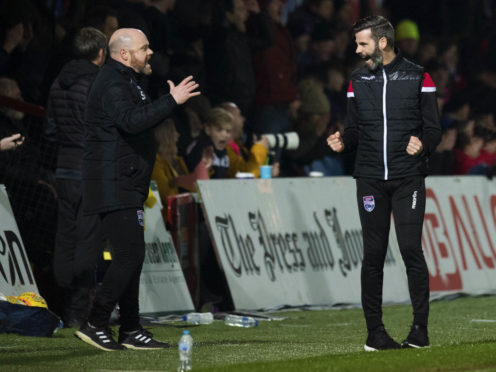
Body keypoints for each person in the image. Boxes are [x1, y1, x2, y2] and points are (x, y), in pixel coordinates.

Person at [75, 27, 200, 351]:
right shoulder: (114, 83)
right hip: (114, 181)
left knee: (131, 256)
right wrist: (171, 100)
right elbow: (132, 121)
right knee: (130, 255)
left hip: (124, 180)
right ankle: (95, 321)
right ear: (124, 54)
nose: (150, 53)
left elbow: (136, 119)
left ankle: (130, 329)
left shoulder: (127, 81)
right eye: (145, 48)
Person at [327, 15, 441, 351]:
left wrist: (423, 144)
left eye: (362, 43)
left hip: (409, 178)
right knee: (373, 254)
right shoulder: (356, 80)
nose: (357, 49)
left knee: (410, 250)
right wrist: (342, 141)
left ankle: (419, 330)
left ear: (382, 42)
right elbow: (354, 129)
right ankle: (374, 334)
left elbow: (434, 129)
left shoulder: (420, 76)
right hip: (370, 178)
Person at [45, 27, 107, 328]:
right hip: (91, 171)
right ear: (100, 53)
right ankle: (79, 314)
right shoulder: (97, 83)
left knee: (66, 239)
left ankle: (61, 307)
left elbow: (50, 130)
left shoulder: (58, 82)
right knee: (88, 241)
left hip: (64, 168)